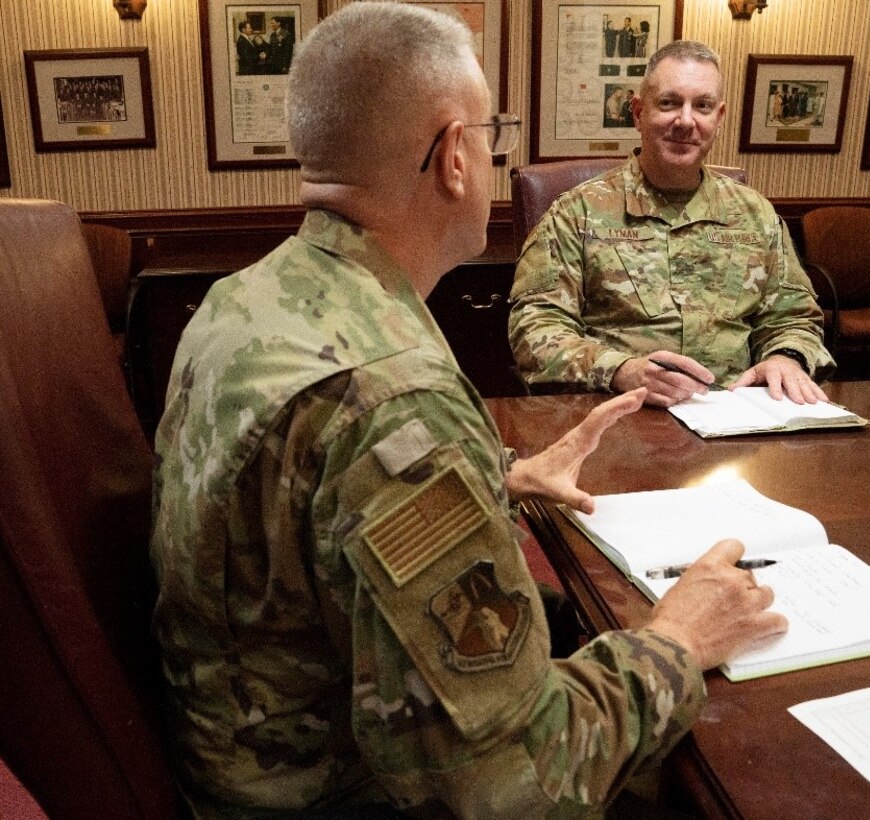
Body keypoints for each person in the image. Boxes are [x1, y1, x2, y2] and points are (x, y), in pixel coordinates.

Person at [150, 5, 786, 817]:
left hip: (241, 748)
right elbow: (513, 787)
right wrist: (677, 642)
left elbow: (303, 511)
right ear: (454, 154)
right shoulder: (393, 398)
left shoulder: (244, 298)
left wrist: (499, 479)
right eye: (493, 133)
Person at [508, 40, 835, 408]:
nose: (685, 120)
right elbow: (535, 330)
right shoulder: (577, 213)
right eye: (668, 103)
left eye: (703, 106)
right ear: (637, 112)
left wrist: (786, 357)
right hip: (620, 413)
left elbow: (793, 316)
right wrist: (621, 370)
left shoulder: (755, 214)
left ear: (719, 117)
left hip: (736, 415)